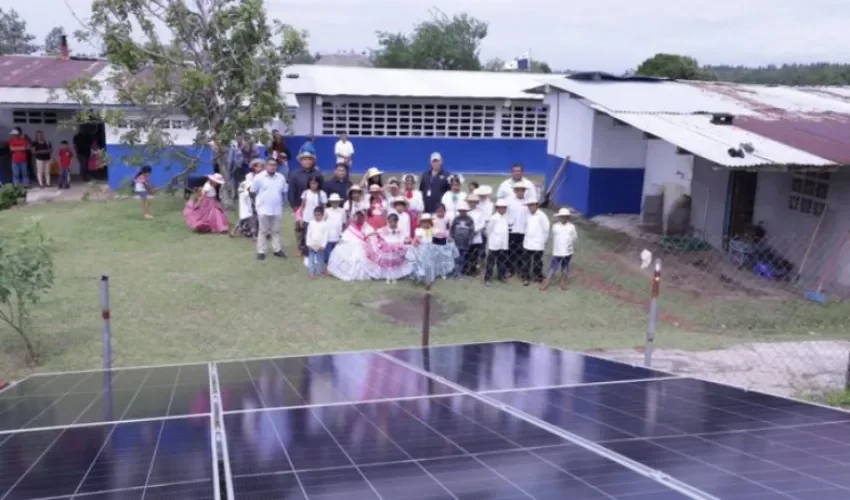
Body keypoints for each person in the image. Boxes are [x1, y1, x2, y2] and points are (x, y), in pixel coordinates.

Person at [288, 151, 324, 256]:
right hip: (300, 206)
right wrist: (295, 207)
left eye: (309, 159)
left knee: (315, 228)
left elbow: (322, 190)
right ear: (301, 161)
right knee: (300, 228)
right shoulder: (295, 174)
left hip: (315, 207)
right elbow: (291, 192)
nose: (307, 161)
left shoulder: (317, 174)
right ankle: (300, 248)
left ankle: (314, 247)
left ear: (313, 161)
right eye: (305, 159)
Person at [252, 159, 289, 260]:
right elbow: (253, 191)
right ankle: (261, 251)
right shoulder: (259, 177)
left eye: (274, 165)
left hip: (277, 208)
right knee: (263, 231)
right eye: (270, 165)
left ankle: (277, 249)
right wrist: (257, 205)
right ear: (266, 166)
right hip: (263, 208)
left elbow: (284, 192)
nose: (272, 167)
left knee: (276, 230)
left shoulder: (281, 177)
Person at [327, 210, 376, 281]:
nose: (359, 219)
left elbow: (371, 236)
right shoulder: (351, 227)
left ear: (363, 218)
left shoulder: (367, 227)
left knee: (359, 253)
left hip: (362, 246)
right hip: (351, 245)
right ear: (355, 218)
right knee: (339, 249)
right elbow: (345, 236)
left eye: (361, 217)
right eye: (357, 217)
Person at [542, 208, 578, 291]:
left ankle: (563, 282)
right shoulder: (555, 226)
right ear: (559, 217)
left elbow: (574, 238)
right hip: (557, 251)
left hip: (568, 251)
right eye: (562, 217)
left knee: (565, 267)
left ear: (568, 217)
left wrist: (570, 245)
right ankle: (547, 282)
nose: (563, 218)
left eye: (565, 217)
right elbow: (555, 236)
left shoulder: (571, 227)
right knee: (553, 266)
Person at [375, 213, 414, 283]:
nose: (391, 224)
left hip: (396, 246)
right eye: (390, 222)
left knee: (395, 263)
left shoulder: (400, 230)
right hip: (387, 246)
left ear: (396, 222)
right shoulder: (384, 229)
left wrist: (410, 241)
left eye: (393, 222)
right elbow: (377, 232)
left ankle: (395, 276)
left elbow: (405, 236)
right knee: (388, 262)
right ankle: (387, 276)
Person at [232, 159, 264, 238]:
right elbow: (246, 185)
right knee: (247, 214)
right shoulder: (249, 176)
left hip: (259, 197)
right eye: (257, 166)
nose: (259, 168)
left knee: (257, 215)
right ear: (254, 167)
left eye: (261, 167)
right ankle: (237, 230)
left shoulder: (263, 176)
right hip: (249, 197)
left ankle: (258, 232)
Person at [522, 197, 550, 286]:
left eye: (532, 205)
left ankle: (537, 276)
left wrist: (543, 241)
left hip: (538, 243)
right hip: (528, 242)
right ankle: (526, 277)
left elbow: (546, 229)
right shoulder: (527, 215)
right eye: (529, 205)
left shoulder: (542, 216)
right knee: (526, 261)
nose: (531, 207)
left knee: (537, 261)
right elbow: (525, 227)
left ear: (537, 205)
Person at [506, 182, 530, 278]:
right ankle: (510, 269)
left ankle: (520, 270)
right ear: (514, 191)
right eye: (518, 190)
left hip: (523, 230)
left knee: (522, 251)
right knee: (511, 251)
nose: (520, 192)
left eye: (522, 190)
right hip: (512, 230)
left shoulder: (528, 202)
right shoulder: (509, 201)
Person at [484, 199, 510, 285]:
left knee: (502, 261)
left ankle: (501, 276)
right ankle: (487, 278)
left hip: (503, 244)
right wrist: (491, 241)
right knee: (490, 262)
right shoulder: (494, 218)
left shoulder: (506, 217)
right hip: (494, 244)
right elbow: (489, 230)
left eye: (504, 208)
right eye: (501, 208)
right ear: (497, 208)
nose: (503, 209)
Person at [450, 201, 475, 279]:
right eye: (461, 211)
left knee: (462, 258)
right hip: (456, 242)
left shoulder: (470, 220)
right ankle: (455, 272)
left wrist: (470, 240)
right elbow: (452, 229)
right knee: (456, 257)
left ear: (467, 211)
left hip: (465, 243)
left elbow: (472, 231)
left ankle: (460, 272)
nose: (462, 212)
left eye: (464, 211)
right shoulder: (456, 219)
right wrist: (452, 237)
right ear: (459, 211)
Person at [466, 194, 486, 276]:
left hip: (476, 236)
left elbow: (482, 223)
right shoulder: (465, 211)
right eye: (470, 202)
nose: (472, 203)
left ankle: (473, 270)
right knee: (467, 253)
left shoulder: (480, 211)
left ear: (477, 202)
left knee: (475, 254)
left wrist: (475, 230)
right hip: (467, 236)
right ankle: (466, 269)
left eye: (474, 202)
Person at [306, 206, 329, 278]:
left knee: (320, 260)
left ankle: (319, 272)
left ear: (322, 215)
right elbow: (308, 234)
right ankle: (311, 272)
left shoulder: (325, 224)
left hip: (320, 245)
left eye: (319, 215)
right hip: (312, 244)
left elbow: (326, 235)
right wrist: (308, 244)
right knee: (311, 259)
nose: (317, 216)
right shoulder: (311, 223)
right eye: (315, 215)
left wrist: (323, 245)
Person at [324, 193, 345, 263]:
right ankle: (328, 264)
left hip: (338, 233)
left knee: (337, 251)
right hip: (328, 234)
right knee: (328, 252)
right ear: (330, 202)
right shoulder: (327, 210)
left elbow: (343, 223)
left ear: (339, 202)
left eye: (336, 202)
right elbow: (323, 222)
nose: (335, 203)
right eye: (333, 202)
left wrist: (342, 233)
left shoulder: (342, 211)